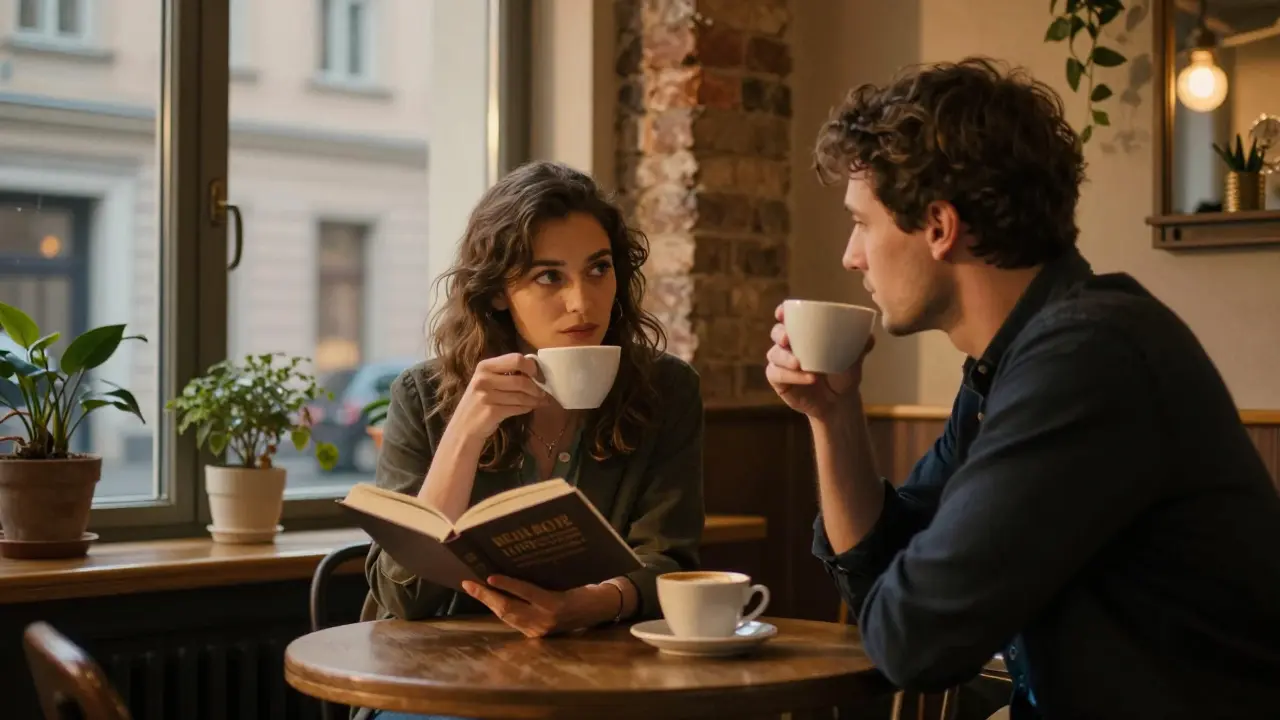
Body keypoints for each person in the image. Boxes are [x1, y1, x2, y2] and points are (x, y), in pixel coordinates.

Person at [765, 57, 1280, 719]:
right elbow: (886, 587)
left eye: (862, 223)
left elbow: (916, 643)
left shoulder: (1087, 362)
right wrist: (833, 416)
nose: (850, 255)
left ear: (939, 227)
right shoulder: (1012, 366)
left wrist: (907, 602)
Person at [365, 161, 705, 719]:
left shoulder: (666, 390)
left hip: (603, 676)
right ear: (499, 294)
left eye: (598, 269)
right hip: (440, 682)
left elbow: (670, 563)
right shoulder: (423, 395)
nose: (582, 301)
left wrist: (587, 605)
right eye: (550, 277)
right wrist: (465, 433)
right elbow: (402, 595)